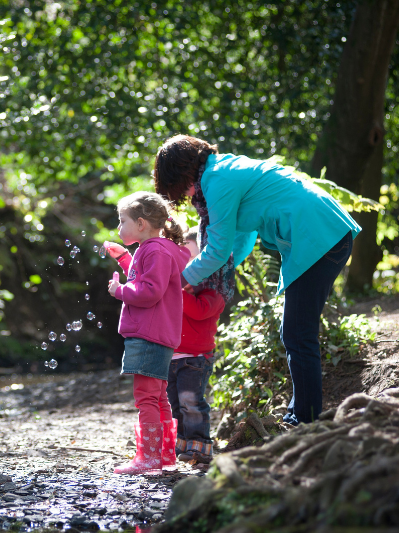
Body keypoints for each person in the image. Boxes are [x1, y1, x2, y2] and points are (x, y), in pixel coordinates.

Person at [153, 134, 361, 425]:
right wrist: (202, 278)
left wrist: (178, 279)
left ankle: (304, 419)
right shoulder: (222, 171)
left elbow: (217, 249)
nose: (186, 196)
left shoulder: (217, 180)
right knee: (297, 334)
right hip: (318, 235)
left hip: (317, 235)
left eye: (181, 188)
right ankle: (300, 415)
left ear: (183, 172)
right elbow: (241, 239)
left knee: (298, 335)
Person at [103, 191, 191, 474]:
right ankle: (164, 456)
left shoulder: (153, 250)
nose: (119, 228)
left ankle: (148, 458)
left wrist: (120, 291)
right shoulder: (157, 249)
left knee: (146, 397)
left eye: (122, 221)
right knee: (158, 396)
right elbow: (146, 278)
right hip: (159, 334)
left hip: (148, 334)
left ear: (141, 223)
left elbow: (149, 291)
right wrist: (124, 258)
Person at [169, 227, 225, 464]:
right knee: (175, 402)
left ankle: (200, 446)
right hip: (171, 355)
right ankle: (181, 443)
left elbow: (201, 311)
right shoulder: (177, 289)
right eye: (185, 258)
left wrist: (177, 290)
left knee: (191, 402)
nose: (189, 265)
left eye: (195, 259)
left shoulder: (214, 291)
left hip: (196, 357)